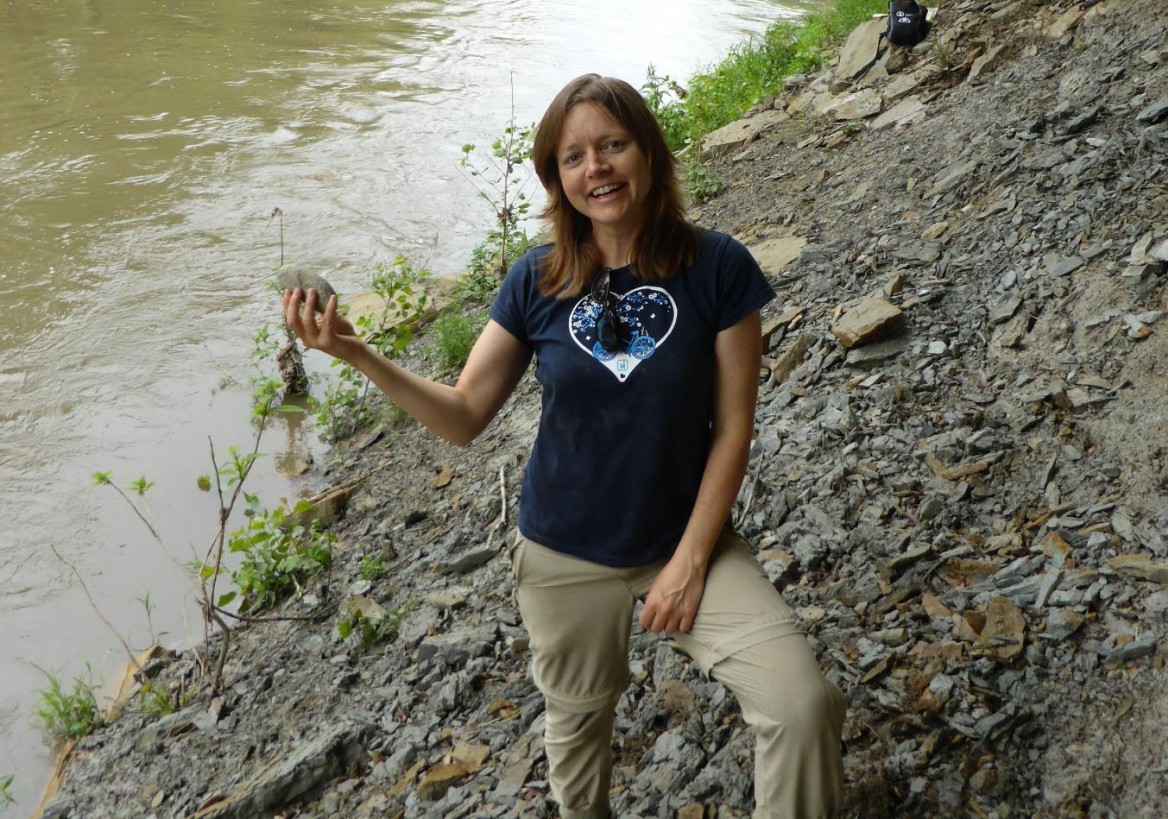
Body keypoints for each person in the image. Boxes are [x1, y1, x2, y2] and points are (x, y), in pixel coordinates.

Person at [284, 73, 846, 819]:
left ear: (648, 152)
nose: (597, 169)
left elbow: (733, 429)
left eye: (613, 145)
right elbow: (462, 415)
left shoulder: (718, 268)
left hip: (686, 540)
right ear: (557, 178)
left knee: (800, 701)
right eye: (574, 157)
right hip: (563, 556)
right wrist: (359, 355)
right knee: (578, 753)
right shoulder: (537, 280)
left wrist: (687, 562)